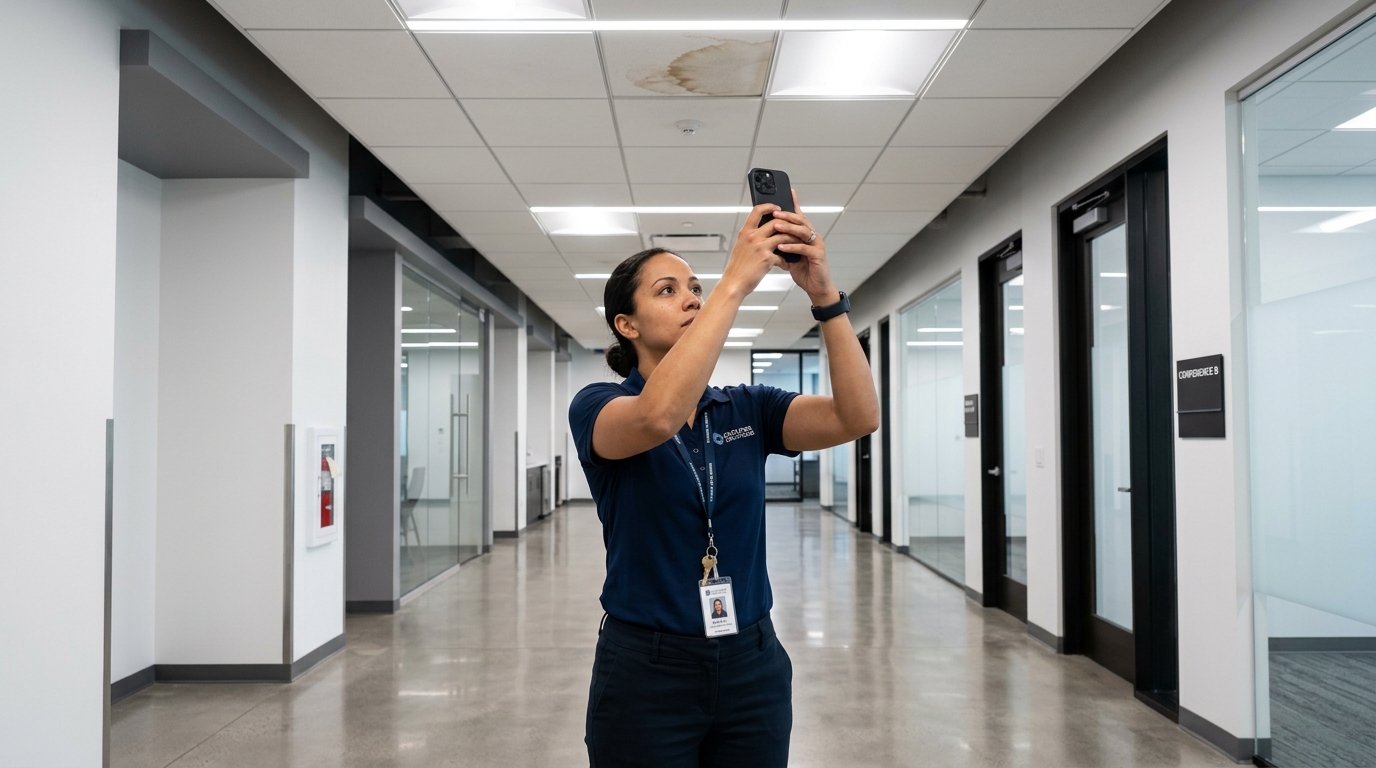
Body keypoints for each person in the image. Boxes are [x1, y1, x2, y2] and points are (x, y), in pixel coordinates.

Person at [570, 194, 879, 768]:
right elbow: (657, 418)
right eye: (668, 290)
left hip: (751, 662)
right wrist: (734, 283)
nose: (691, 297)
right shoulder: (599, 407)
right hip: (646, 670)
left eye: (695, 287)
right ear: (626, 324)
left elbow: (856, 417)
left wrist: (824, 298)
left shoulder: (746, 408)